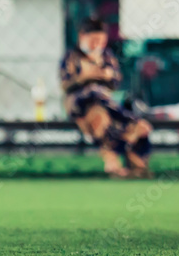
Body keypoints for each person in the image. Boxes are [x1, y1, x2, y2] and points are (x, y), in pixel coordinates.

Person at [60, 17, 152, 178]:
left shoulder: (107, 56)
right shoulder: (72, 56)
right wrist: (83, 77)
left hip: (106, 105)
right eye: (94, 40)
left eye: (101, 41)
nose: (98, 45)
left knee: (103, 117)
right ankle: (125, 127)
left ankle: (133, 163)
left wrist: (105, 75)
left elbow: (115, 81)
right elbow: (65, 84)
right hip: (80, 102)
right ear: (82, 36)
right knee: (94, 93)